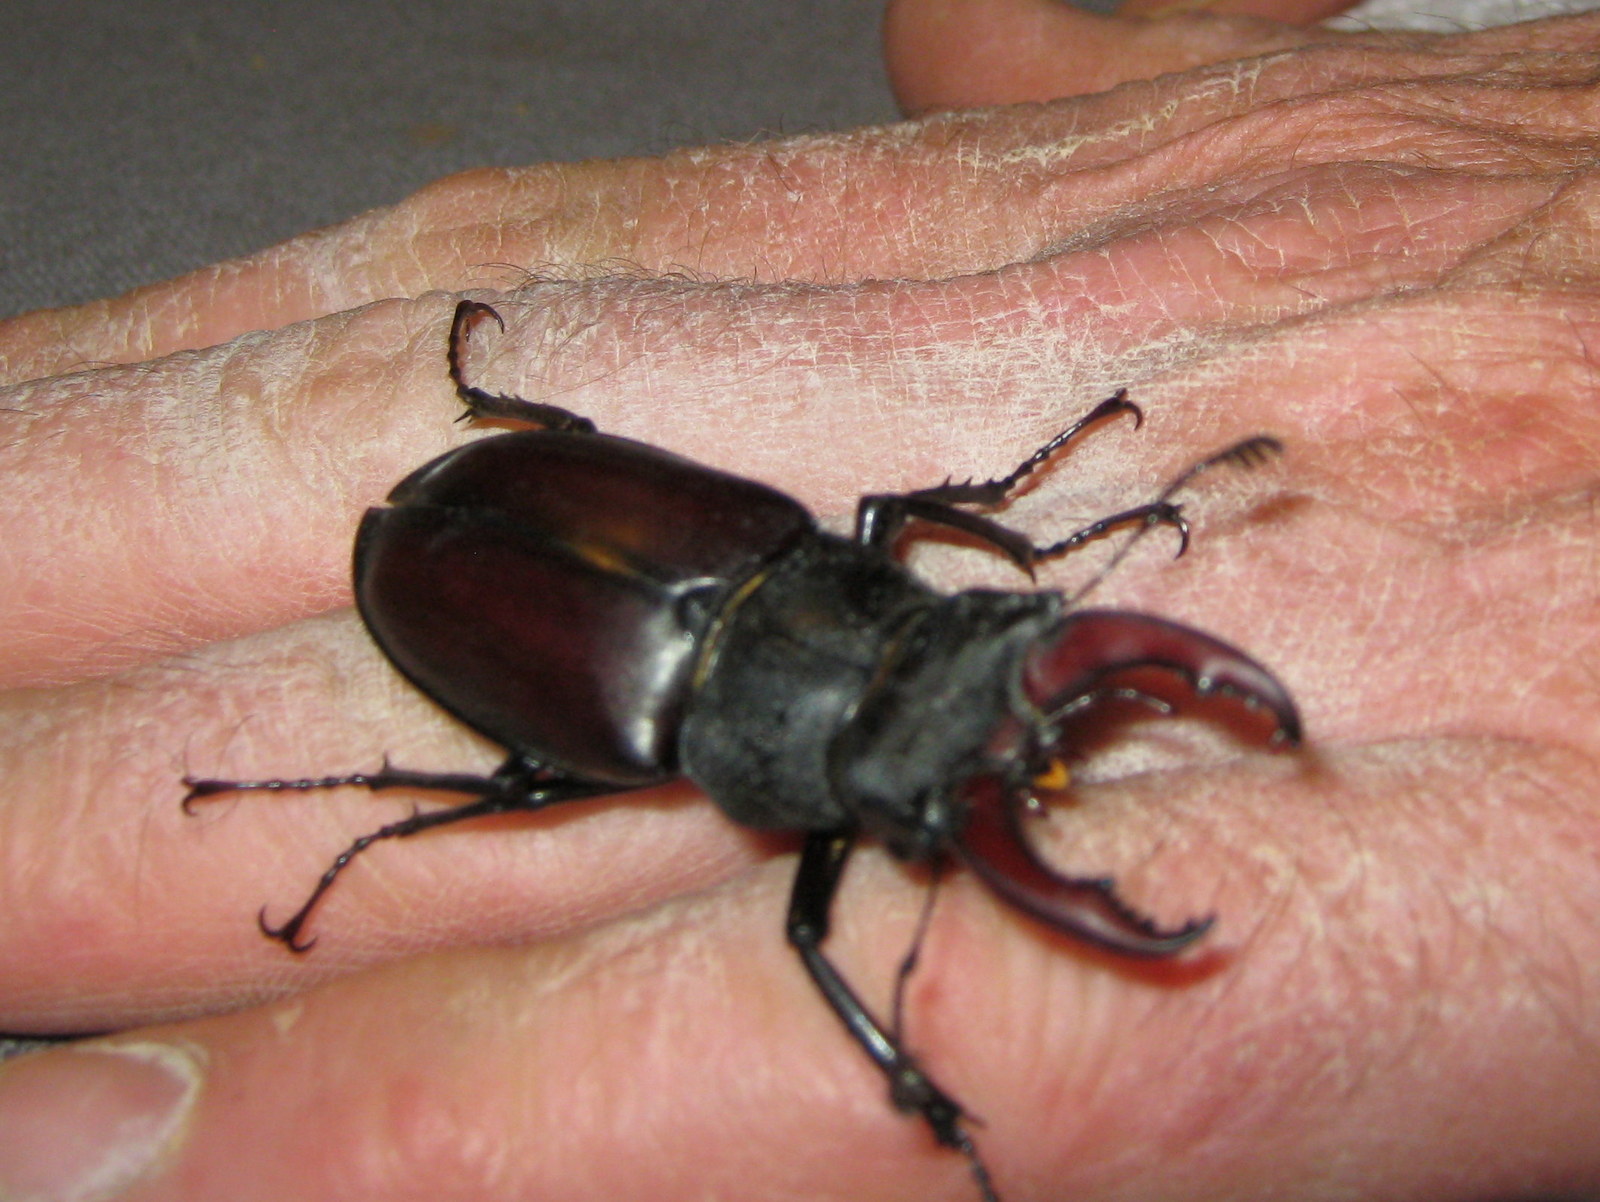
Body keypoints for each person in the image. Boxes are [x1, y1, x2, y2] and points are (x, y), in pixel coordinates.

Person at [1, 0, 1597, 1197]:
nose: (991, 739)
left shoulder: (780, 553)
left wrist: (1039, 517)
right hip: (471, 565)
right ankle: (360, 789)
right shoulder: (697, 659)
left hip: (568, 546)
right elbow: (827, 942)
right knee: (516, 786)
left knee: (547, 750)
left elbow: (886, 537)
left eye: (985, 645)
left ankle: (437, 596)